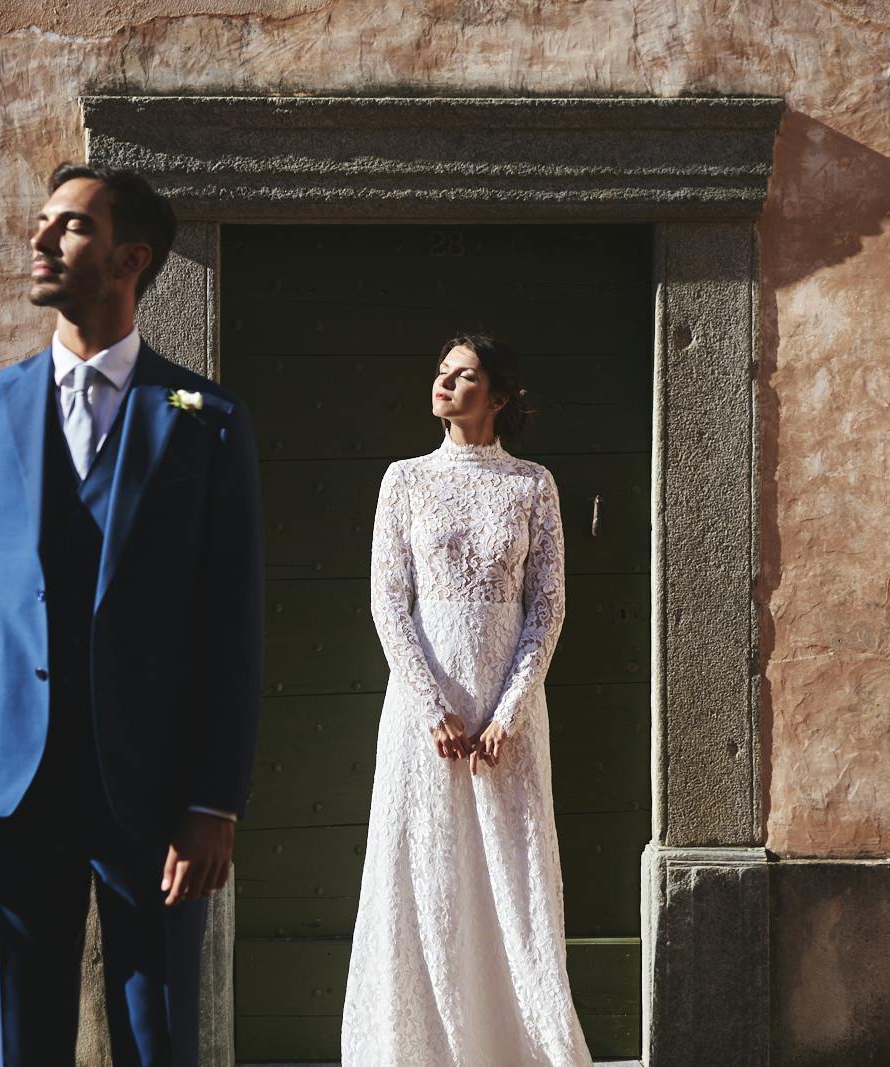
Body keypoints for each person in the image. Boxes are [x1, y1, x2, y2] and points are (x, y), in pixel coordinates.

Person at [0, 162, 264, 1066]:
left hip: (153, 788)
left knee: (159, 1034)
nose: (39, 240)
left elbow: (233, 627)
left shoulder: (205, 418)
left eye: (69, 227)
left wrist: (213, 799)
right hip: (11, 785)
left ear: (130, 259)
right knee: (26, 1036)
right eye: (42, 222)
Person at [341, 333, 593, 1066]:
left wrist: (508, 713)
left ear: (501, 394)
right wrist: (431, 707)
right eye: (441, 373)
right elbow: (389, 604)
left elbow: (546, 609)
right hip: (426, 718)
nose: (446, 384)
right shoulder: (405, 480)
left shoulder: (533, 486)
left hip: (507, 719)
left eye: (466, 375)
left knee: (510, 874)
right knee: (425, 869)